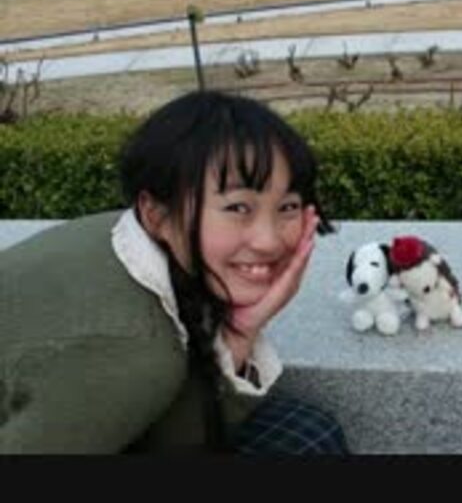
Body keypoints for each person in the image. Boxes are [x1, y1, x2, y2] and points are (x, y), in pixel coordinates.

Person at [0, 90, 349, 454]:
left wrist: (242, 331)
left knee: (306, 432)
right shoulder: (128, 346)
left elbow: (160, 424)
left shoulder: (135, 243)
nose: (268, 240)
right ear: (156, 214)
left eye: (288, 207)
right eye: (237, 208)